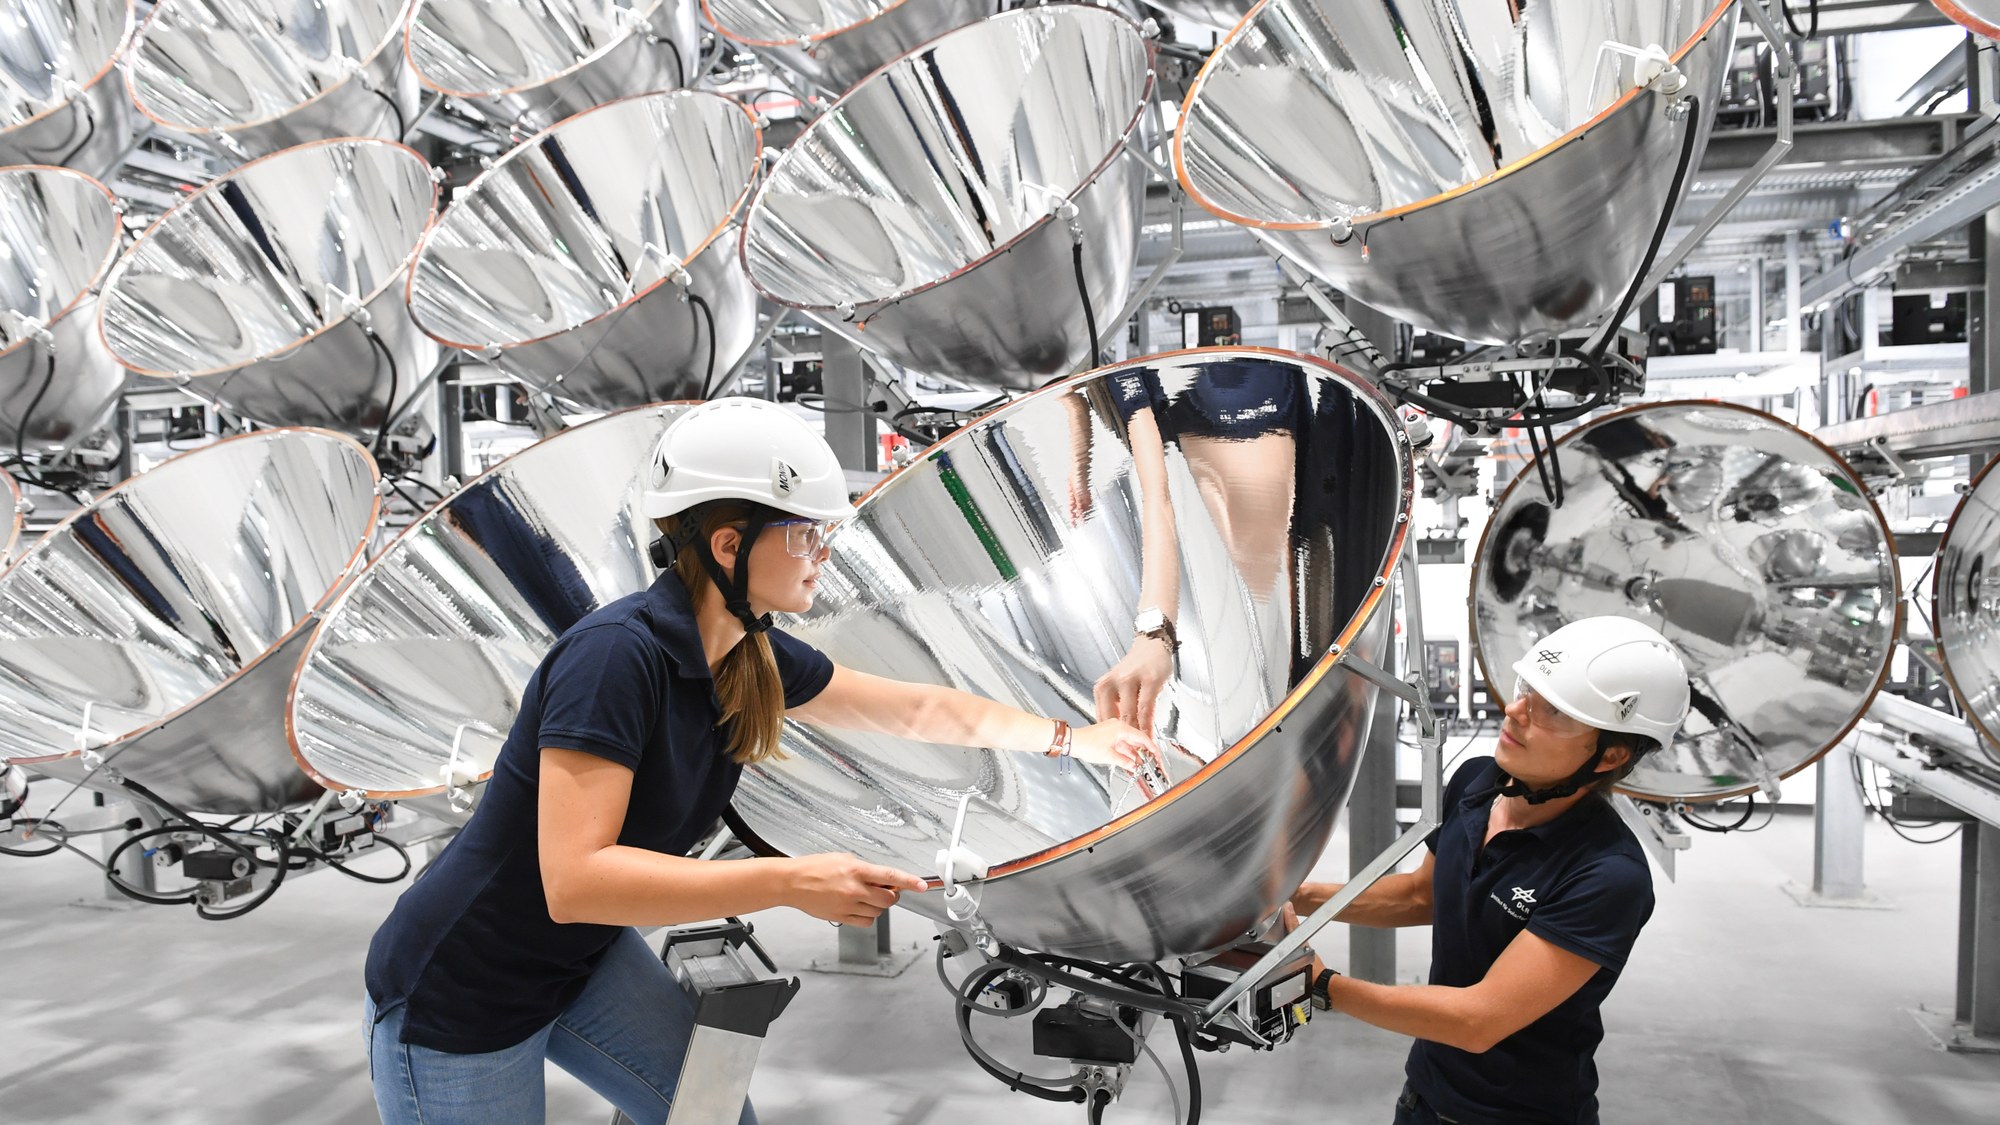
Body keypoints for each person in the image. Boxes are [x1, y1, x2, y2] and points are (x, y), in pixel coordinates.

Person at [362, 398, 1160, 1125]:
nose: (822, 552)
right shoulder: (612, 660)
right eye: (806, 532)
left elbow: (916, 707)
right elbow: (577, 881)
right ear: (728, 544)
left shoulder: (748, 654)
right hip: (462, 994)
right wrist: (789, 881)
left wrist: (1069, 737)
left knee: (713, 1115)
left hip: (577, 960)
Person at [1289, 616, 1691, 1125]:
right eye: (1527, 690)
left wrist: (1320, 984)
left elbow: (1479, 1020)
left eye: (1555, 712)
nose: (1515, 712)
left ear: (1610, 755)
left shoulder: (1607, 874)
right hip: (1424, 1097)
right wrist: (1293, 895)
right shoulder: (1478, 780)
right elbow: (1421, 896)